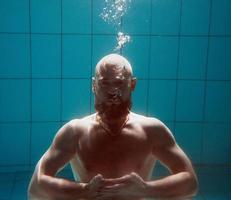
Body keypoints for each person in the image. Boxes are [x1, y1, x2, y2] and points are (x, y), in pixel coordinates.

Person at [28, 54, 198, 200]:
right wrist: (84, 191)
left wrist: (145, 189)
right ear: (93, 85)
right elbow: (36, 187)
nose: (112, 92)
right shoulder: (75, 132)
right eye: (104, 84)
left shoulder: (152, 131)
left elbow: (190, 182)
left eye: (119, 83)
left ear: (132, 84)